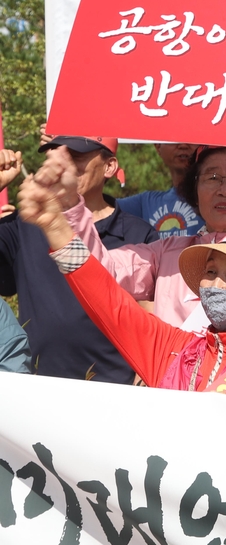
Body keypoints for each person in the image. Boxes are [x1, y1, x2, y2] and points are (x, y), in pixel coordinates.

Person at [19, 155, 226, 392]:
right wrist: (56, 227)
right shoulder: (173, 349)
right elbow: (106, 300)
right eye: (209, 271)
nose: (213, 284)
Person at [50, 121, 226, 333]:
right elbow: (99, 271)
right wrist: (69, 205)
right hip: (176, 401)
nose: (225, 189)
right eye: (211, 177)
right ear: (194, 191)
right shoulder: (165, 254)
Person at [0, 141, 154, 383]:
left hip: (115, 392)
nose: (63, 166)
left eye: (75, 155)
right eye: (56, 156)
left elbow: (152, 318)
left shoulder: (140, 235)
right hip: (35, 388)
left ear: (109, 166)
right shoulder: (27, 223)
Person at [116, 142, 203, 237]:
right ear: (158, 147)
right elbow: (100, 208)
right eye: (173, 139)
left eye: (190, 138)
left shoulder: (213, 197)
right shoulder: (146, 203)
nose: (183, 145)